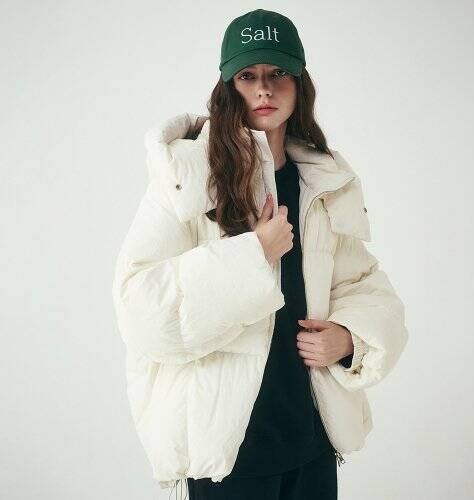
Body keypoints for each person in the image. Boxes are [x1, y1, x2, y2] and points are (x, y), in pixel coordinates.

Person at [111, 8, 408, 500]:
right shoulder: (185, 178)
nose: (264, 90)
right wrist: (253, 254)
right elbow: (139, 308)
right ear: (228, 87)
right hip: (228, 450)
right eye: (248, 76)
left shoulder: (323, 181)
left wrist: (350, 338)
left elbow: (364, 284)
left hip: (311, 436)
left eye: (278, 74)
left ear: (300, 84)